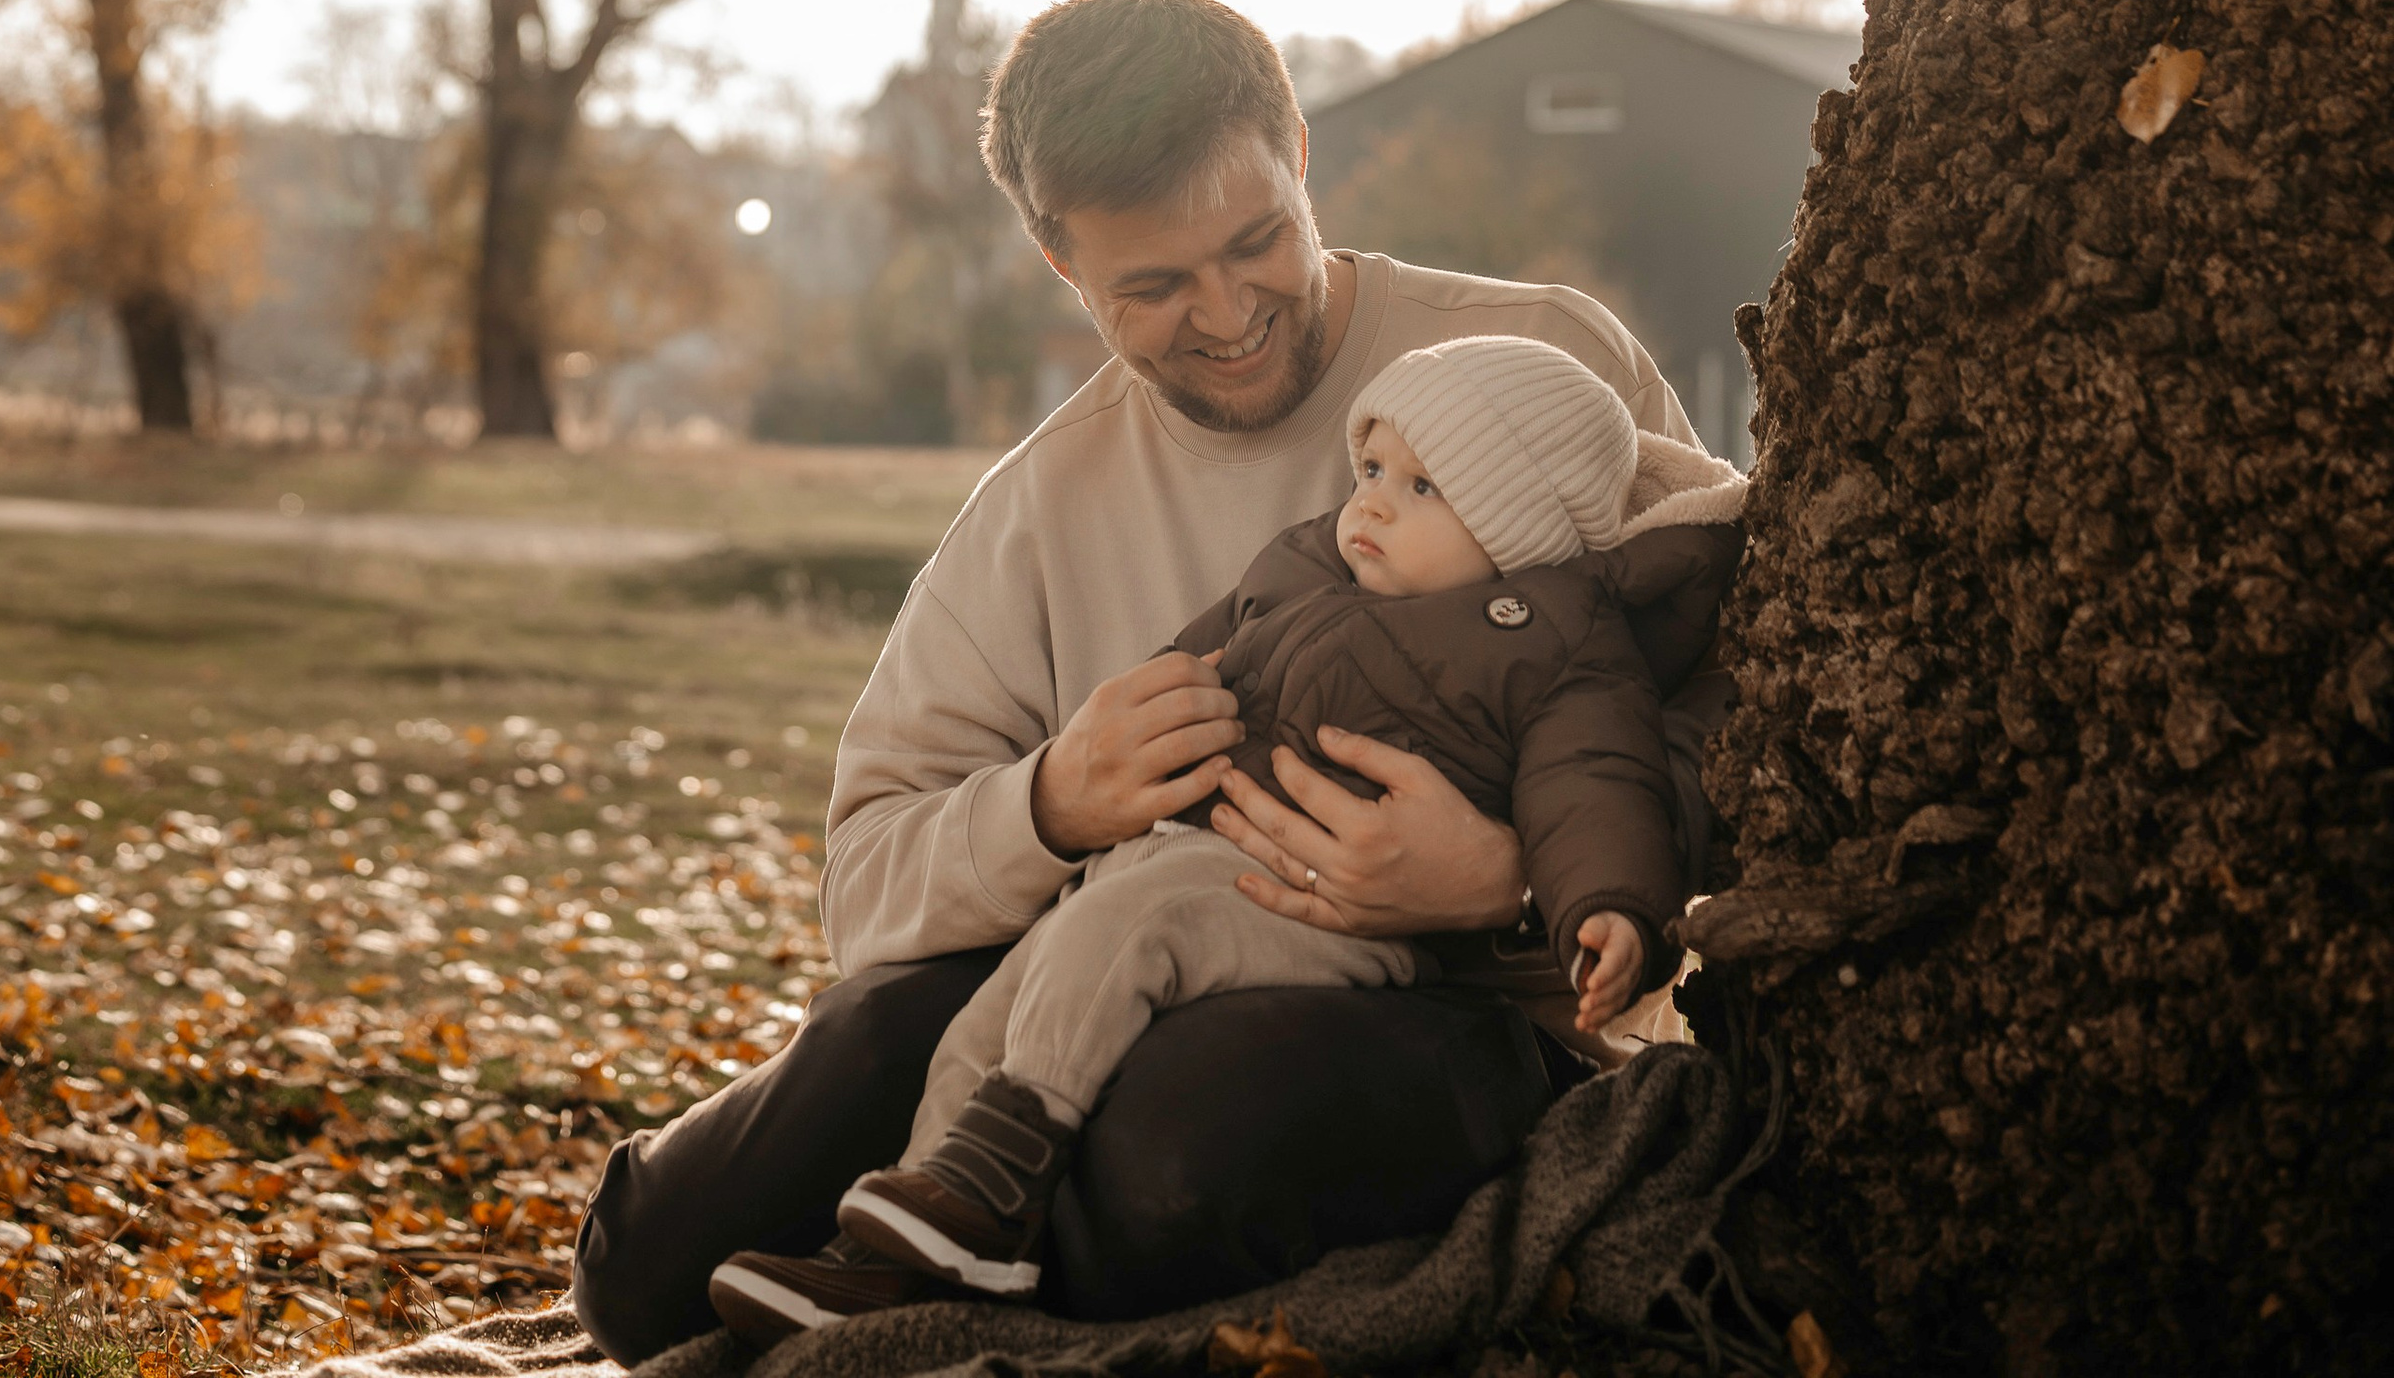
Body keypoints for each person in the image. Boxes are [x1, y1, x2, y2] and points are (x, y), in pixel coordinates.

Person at [572, 0, 1735, 1357]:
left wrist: (1506, 880)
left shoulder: (1539, 364)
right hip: (1104, 968)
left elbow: (1730, 688)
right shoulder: (1041, 508)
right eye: (1157, 286)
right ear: (1064, 266)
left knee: (1175, 1155)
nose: (1231, 313)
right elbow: (869, 885)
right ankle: (939, 1233)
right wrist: (1053, 802)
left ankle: (937, 1258)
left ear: (1300, 154)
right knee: (658, 1264)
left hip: (1459, 1017)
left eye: (1256, 245)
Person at [708, 333, 1748, 1335]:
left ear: (1517, 527)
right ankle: (921, 1226)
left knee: (1131, 929)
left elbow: (1596, 787)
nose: (1371, 502)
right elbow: (1196, 654)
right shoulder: (1307, 567)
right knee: (1006, 1002)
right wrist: (1133, 727)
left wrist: (1607, 910)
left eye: (1423, 488)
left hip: (1340, 920)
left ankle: (992, 1187)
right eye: (1373, 465)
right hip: (1188, 865)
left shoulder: (1556, 648)